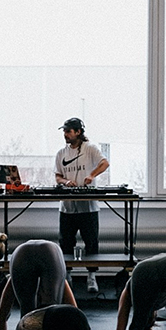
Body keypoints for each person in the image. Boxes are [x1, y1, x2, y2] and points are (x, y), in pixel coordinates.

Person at [0, 239, 76, 330]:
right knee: (51, 312)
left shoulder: (14, 279)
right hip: (50, 252)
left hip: (21, 254)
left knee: (27, 316)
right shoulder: (57, 279)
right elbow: (75, 313)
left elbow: (2, 316)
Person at [54, 117, 110, 295]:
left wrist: (92, 175)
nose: (65, 135)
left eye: (68, 131)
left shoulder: (90, 149)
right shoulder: (61, 153)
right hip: (67, 207)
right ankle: (67, 276)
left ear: (78, 132)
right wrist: (66, 181)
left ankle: (91, 277)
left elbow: (105, 163)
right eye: (64, 131)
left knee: (91, 243)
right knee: (66, 242)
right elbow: (58, 176)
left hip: (88, 207)